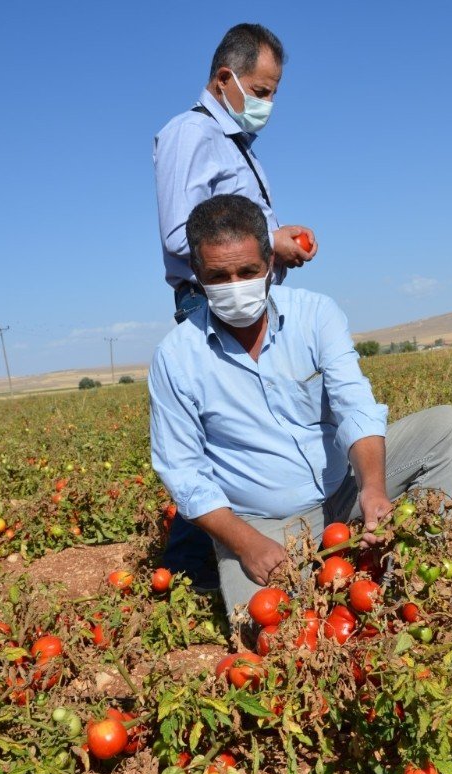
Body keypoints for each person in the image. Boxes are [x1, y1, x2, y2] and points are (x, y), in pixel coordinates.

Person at [148, 195, 452, 618]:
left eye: (247, 271)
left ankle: (414, 569)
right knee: (267, 626)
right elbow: (183, 470)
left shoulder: (315, 315)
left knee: (449, 429)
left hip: (346, 487)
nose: (235, 286)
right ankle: (342, 569)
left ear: (270, 261)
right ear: (196, 273)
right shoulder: (176, 357)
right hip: (265, 523)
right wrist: (246, 544)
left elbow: (354, 404)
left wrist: (373, 487)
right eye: (218, 276)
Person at [153, 23, 317, 588]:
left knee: (240, 428)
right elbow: (180, 232)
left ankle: (199, 560)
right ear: (226, 78)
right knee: (215, 430)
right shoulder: (190, 134)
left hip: (245, 299)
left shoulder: (233, 145)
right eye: (262, 90)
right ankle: (185, 568)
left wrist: (275, 244)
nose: (268, 103)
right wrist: (267, 243)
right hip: (212, 301)